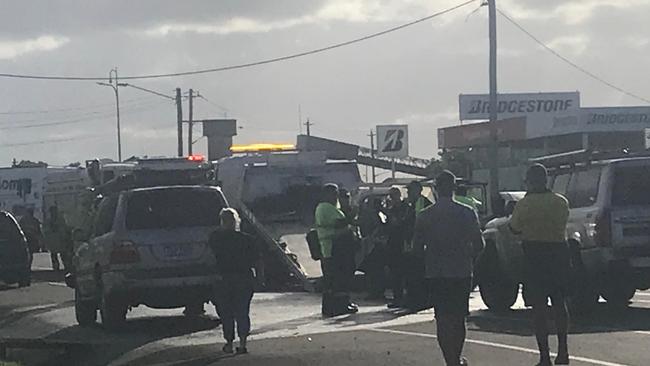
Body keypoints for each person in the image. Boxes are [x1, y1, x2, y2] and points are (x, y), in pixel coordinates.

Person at [413, 170, 484, 366]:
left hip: (436, 272)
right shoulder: (467, 212)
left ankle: (450, 360)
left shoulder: (424, 216)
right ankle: (457, 358)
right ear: (454, 188)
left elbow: (416, 249)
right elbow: (480, 245)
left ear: (435, 189)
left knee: (442, 319)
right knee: (459, 318)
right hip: (461, 271)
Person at [509, 164, 571, 366]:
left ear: (530, 181)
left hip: (535, 256)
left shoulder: (525, 204)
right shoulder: (561, 202)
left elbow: (514, 228)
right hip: (558, 254)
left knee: (539, 308)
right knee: (560, 304)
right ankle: (563, 352)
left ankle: (545, 356)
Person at [210, 208, 264, 355]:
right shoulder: (247, 239)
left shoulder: (215, 238)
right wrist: (259, 278)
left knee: (227, 313)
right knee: (241, 311)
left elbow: (210, 258)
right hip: (242, 278)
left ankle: (230, 342)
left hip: (225, 279)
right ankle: (241, 343)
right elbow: (258, 261)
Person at [315, 183, 358, 317]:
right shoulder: (325, 207)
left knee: (338, 280)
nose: (336, 197)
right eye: (334, 194)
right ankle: (337, 306)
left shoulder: (333, 208)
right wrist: (353, 214)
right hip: (333, 249)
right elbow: (340, 223)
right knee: (337, 280)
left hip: (338, 249)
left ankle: (340, 304)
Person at [403, 181, 433, 311]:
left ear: (418, 190)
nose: (408, 193)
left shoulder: (424, 203)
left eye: (410, 190)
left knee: (419, 274)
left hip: (421, 246)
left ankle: (420, 301)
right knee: (412, 274)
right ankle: (413, 299)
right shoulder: (411, 205)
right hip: (411, 244)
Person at [382, 187, 408, 308]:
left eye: (393, 196)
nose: (391, 198)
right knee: (394, 272)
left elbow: (398, 223)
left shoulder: (403, 207)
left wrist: (388, 212)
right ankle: (397, 297)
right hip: (392, 244)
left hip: (401, 243)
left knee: (401, 272)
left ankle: (402, 298)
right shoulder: (392, 208)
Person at [43, 206, 71, 271]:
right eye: (52, 211)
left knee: (63, 254)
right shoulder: (48, 221)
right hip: (53, 240)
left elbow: (64, 229)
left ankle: (66, 266)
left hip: (60, 239)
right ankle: (56, 266)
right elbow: (46, 231)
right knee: (54, 254)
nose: (53, 213)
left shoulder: (60, 220)